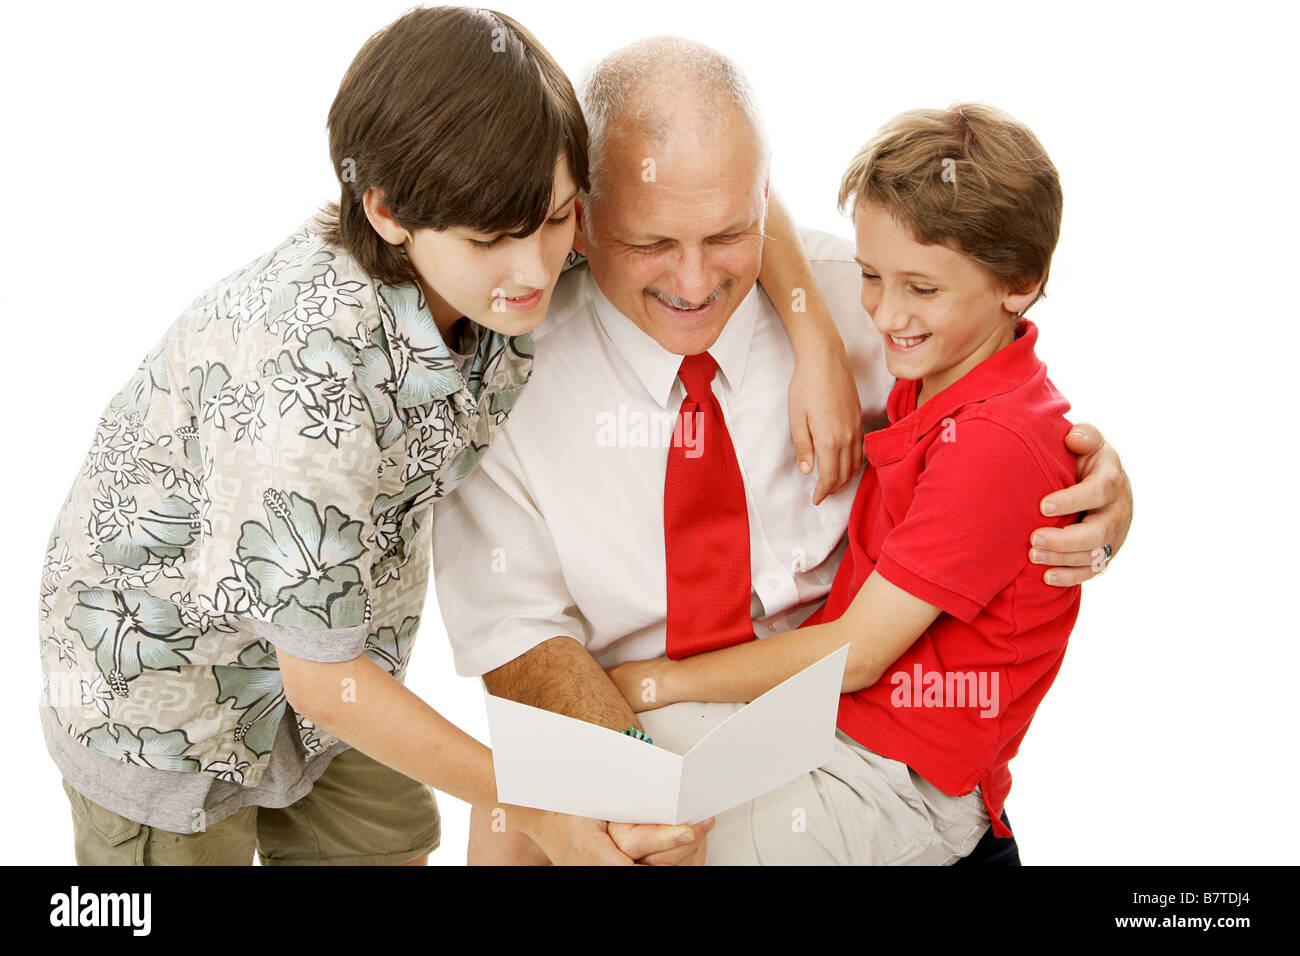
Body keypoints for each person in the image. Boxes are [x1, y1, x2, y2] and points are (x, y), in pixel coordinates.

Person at [38, 7, 857, 867]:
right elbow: (324, 682)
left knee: (393, 840)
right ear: (389, 212)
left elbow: (714, 190)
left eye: (555, 220)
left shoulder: (517, 224)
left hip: (330, 678)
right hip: (168, 709)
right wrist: (538, 805)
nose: (539, 270)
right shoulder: (307, 381)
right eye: (494, 240)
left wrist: (815, 338)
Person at [431, 36, 1133, 865]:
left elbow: (1009, 432)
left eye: (729, 235)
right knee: (519, 789)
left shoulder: (872, 305)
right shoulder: (502, 377)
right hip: (685, 712)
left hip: (865, 751)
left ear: (764, 206)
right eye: (653, 243)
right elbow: (519, 646)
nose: (693, 284)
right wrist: (617, 782)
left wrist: (1105, 497)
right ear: (578, 217)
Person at [609, 102, 1084, 863]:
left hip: (906, 786)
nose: (887, 314)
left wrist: (658, 681)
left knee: (664, 842)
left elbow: (855, 655)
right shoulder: (945, 372)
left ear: (1017, 284)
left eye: (921, 290)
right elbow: (748, 194)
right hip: (831, 731)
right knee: (583, 767)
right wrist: (817, 341)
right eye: (870, 276)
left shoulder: (995, 440)